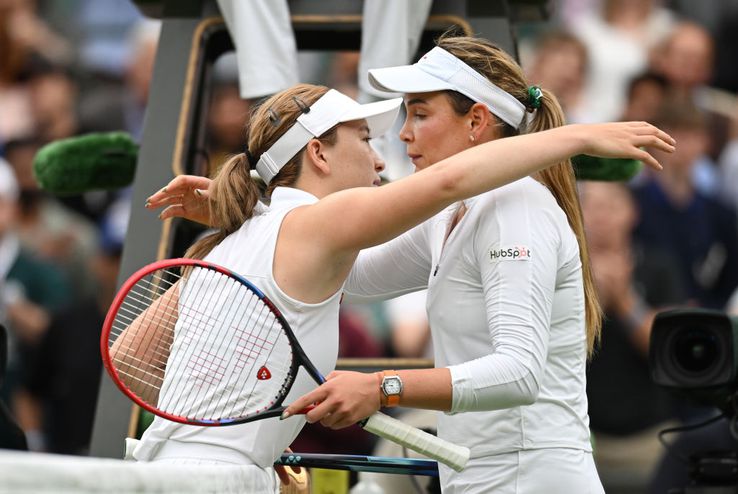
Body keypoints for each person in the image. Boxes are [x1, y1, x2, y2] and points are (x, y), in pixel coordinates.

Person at [143, 52, 674, 494]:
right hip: (481, 475)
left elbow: (520, 372)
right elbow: (341, 271)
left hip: (531, 477)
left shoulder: (517, 207)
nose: (401, 135)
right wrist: (257, 220)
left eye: (419, 115)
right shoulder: (453, 216)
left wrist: (383, 387)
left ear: (476, 121)